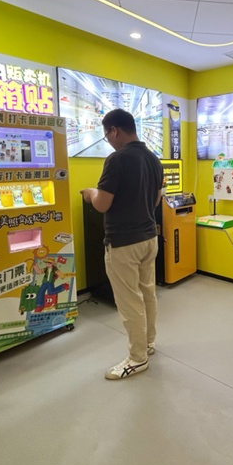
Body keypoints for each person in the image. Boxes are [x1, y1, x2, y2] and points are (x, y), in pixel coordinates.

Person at [80, 109, 163, 380]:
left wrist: (91, 193)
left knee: (129, 301)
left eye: (107, 135)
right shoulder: (154, 159)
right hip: (149, 238)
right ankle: (148, 343)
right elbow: (156, 200)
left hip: (123, 243)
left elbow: (102, 204)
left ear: (114, 130)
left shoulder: (116, 159)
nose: (108, 140)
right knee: (147, 293)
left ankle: (137, 358)